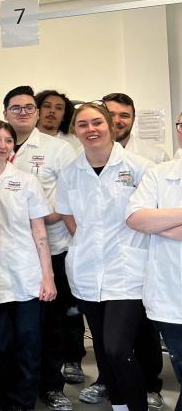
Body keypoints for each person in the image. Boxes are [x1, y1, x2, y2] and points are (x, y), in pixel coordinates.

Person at [57, 102, 153, 411]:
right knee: (101, 346)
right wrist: (88, 242)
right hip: (86, 270)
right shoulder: (71, 172)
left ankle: (136, 406)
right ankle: (120, 406)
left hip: (127, 269)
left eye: (97, 122)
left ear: (110, 124)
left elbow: (149, 214)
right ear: (75, 130)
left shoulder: (139, 167)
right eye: (83, 124)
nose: (90, 129)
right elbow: (70, 217)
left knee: (117, 348)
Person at [1, 85, 77, 410]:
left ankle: (51, 385)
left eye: (28, 107)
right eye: (15, 107)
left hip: (52, 248)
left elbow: (71, 195)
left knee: (51, 325)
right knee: (14, 328)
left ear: (35, 112)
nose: (22, 112)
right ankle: (17, 385)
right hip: (10, 254)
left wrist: (39, 218)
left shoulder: (57, 149)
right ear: (4, 112)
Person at [0, 120, 56, 411]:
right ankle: (6, 398)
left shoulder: (26, 181)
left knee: (28, 346)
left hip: (26, 275)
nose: (2, 145)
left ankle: (23, 404)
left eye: (8, 140)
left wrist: (48, 276)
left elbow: (40, 232)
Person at [126, 109, 182, 411]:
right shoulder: (160, 174)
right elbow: (137, 218)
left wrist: (163, 225)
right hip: (172, 295)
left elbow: (152, 222)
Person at [103, 93, 170, 164]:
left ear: (133, 119)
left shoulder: (156, 156)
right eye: (110, 115)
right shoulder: (90, 154)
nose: (116, 120)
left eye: (124, 116)